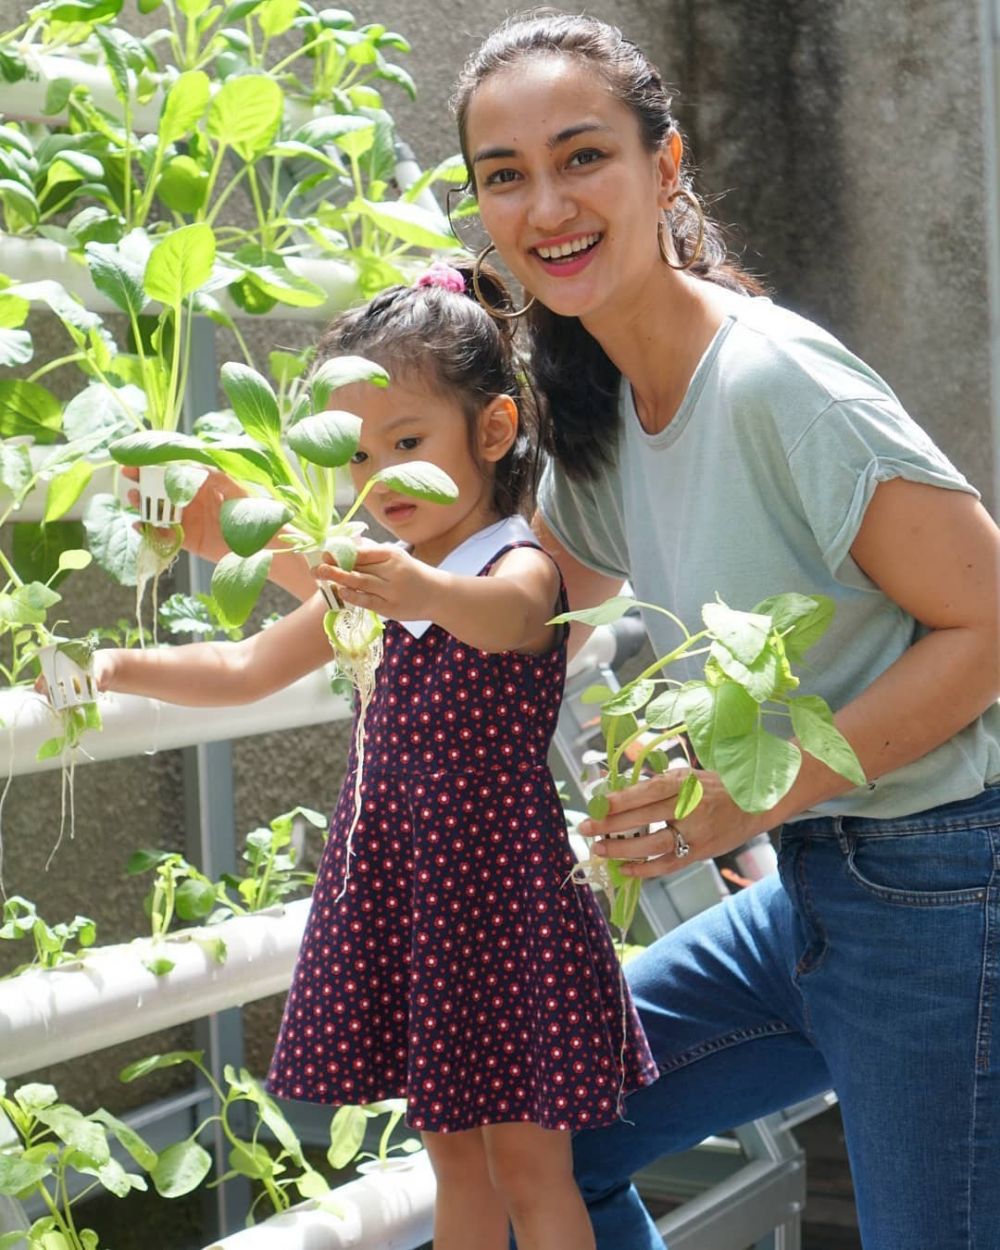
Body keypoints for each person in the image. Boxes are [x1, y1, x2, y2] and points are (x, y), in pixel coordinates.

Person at [443, 11, 1000, 1250]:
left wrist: (740, 799)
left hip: (943, 879)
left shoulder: (774, 383)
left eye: (582, 156)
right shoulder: (602, 397)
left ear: (666, 166)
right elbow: (536, 615)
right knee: (538, 1134)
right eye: (505, 175)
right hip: (813, 884)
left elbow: (989, 623)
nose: (547, 204)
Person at [94, 263, 658, 1250]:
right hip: (408, 891)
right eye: (358, 457)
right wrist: (107, 665)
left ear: (490, 432)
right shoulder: (386, 576)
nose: (379, 480)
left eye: (407, 444)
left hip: (502, 895)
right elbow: (240, 665)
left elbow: (513, 618)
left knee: (533, 1162)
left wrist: (412, 588)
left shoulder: (509, 561)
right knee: (452, 1162)